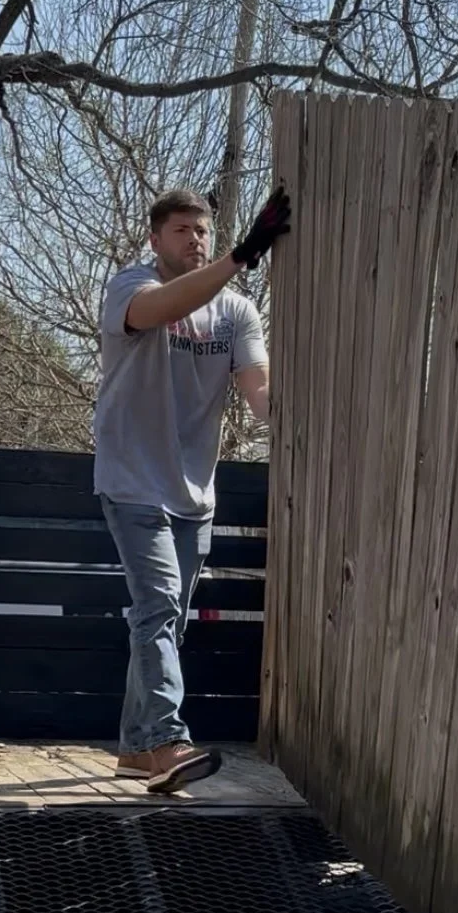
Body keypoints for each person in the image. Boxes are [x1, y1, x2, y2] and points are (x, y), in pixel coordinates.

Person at [93, 183, 290, 792]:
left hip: (193, 493)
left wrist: (295, 412)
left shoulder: (235, 313)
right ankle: (168, 743)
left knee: (168, 620)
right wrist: (240, 256)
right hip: (132, 481)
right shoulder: (130, 287)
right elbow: (163, 309)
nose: (195, 239)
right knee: (155, 608)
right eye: (182, 230)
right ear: (155, 239)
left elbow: (259, 394)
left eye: (203, 231)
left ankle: (134, 748)